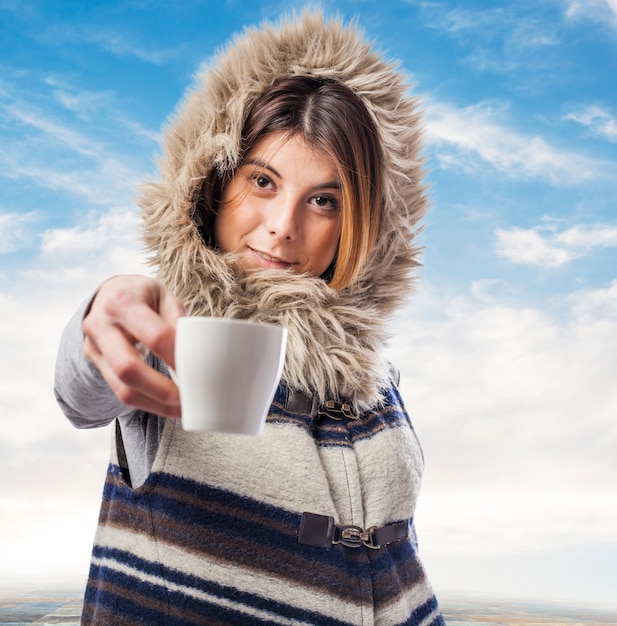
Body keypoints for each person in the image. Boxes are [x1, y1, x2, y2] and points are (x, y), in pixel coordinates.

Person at [54, 10, 446, 626]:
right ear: (213, 182)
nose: (284, 226)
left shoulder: (377, 377)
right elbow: (82, 391)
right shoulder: (175, 331)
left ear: (362, 226)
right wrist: (102, 316)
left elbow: (395, 559)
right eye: (263, 180)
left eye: (324, 200)